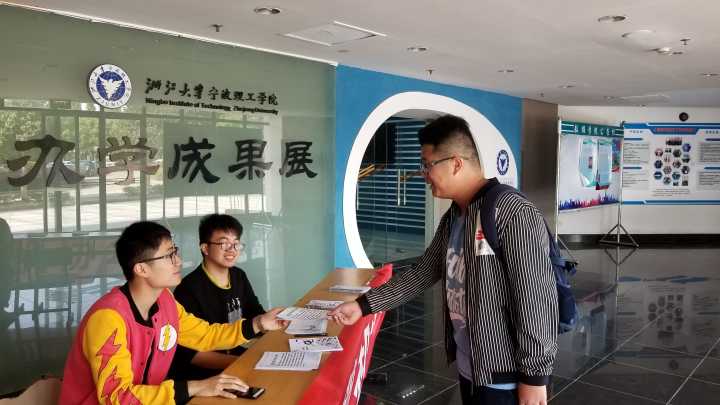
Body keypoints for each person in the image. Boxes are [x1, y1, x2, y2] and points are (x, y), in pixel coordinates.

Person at [330, 115, 558, 405]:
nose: (423, 174)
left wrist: (534, 377)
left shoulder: (512, 212)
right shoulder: (456, 216)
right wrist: (363, 305)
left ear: (456, 163)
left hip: (506, 376)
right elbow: (423, 272)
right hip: (472, 365)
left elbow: (535, 298)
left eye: (427, 164)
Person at [59, 221, 286, 405]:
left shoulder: (165, 300)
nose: (178, 261)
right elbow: (117, 397)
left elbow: (205, 336)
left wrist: (258, 323)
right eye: (169, 255)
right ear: (141, 269)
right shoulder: (108, 318)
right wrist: (196, 387)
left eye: (175, 252)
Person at [168, 214, 264, 381]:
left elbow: (255, 313)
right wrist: (243, 362)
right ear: (205, 248)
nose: (232, 249)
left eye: (236, 243)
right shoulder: (188, 289)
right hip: (208, 376)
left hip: (240, 360)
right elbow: (192, 355)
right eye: (224, 243)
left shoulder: (238, 276)